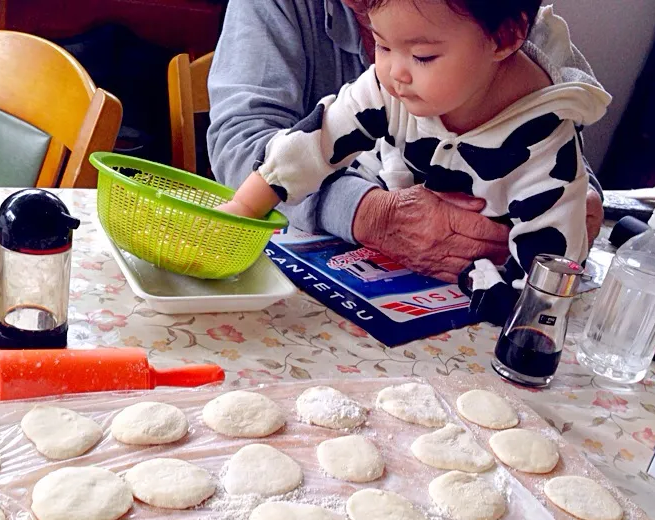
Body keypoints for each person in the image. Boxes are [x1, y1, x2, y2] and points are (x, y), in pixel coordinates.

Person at [213, 0, 610, 324]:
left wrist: (530, 313)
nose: (391, 72)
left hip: (470, 296)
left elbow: (550, 274)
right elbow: (308, 143)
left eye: (422, 55)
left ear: (505, 38)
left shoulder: (543, 133)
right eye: (381, 46)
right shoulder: (388, 81)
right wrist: (242, 208)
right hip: (357, 266)